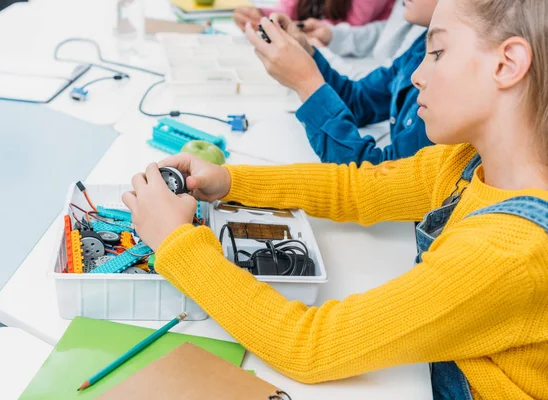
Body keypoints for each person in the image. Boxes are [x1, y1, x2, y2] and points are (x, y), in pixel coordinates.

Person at [123, 0, 548, 397]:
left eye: (436, 52)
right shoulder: (467, 162)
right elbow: (358, 187)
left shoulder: (508, 255)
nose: (417, 74)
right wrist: (228, 181)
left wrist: (177, 242)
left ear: (506, 64)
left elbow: (311, 347)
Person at [241, 0, 437, 165]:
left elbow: (377, 181)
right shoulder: (423, 44)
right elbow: (358, 101)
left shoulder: (448, 80)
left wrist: (306, 83)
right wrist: (306, 50)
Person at [302, 0, 426, 79]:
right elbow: (387, 31)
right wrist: (333, 37)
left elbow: (381, 82)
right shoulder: (417, 12)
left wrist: (320, 53)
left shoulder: (425, 41)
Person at [233, 0, 394, 32]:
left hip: (362, 62)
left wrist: (295, 27)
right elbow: (290, 8)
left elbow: (352, 25)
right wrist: (261, 15)